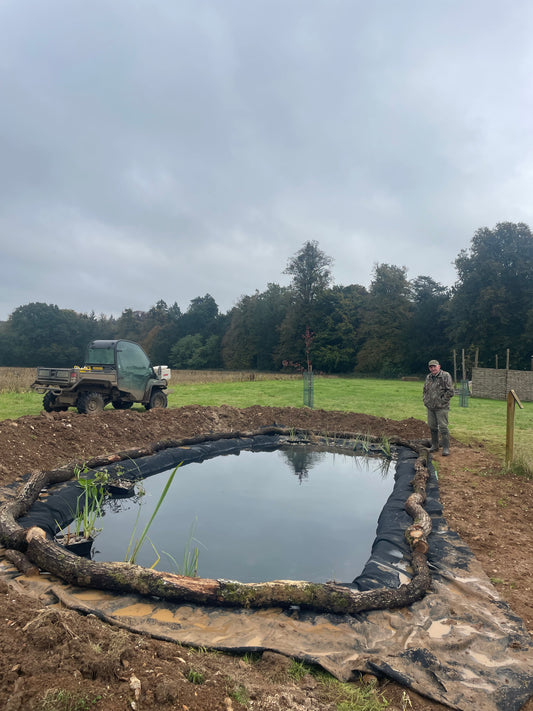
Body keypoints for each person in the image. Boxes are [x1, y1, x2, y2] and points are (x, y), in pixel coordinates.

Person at [423, 359, 454, 456]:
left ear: (439, 366)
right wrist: (425, 400)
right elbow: (425, 390)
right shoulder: (428, 377)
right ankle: (435, 445)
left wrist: (441, 402)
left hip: (441, 408)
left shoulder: (445, 376)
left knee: (443, 427)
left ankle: (445, 448)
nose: (433, 369)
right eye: (431, 367)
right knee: (432, 427)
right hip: (430, 407)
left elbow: (450, 392)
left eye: (434, 366)